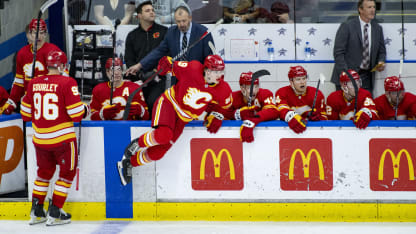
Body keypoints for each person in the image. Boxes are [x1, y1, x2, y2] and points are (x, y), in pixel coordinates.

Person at [117, 55, 233, 186]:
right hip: (169, 104)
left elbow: (226, 106)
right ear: (206, 70)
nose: (219, 75)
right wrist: (165, 62)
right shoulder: (192, 68)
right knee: (164, 135)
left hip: (183, 119)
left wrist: (218, 114)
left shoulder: (223, 89)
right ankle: (137, 143)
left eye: (221, 71)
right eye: (216, 71)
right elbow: (169, 66)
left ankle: (129, 163)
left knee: (159, 153)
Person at [20, 50, 86, 226]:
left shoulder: (33, 83)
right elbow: (76, 114)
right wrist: (85, 108)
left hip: (40, 139)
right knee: (66, 174)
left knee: (43, 173)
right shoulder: (67, 82)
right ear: (63, 66)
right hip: (62, 139)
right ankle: (55, 211)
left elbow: (25, 113)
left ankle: (36, 210)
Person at [125, 6, 214, 77]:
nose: (181, 24)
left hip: (197, 78)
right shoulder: (171, 32)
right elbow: (158, 51)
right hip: (178, 80)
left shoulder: (203, 33)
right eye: (178, 21)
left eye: (184, 21)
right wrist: (139, 65)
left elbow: (209, 58)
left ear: (190, 18)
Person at [1, 19, 64, 115]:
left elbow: (64, 80)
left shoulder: (53, 51)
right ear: (29, 34)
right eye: (36, 33)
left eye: (42, 33)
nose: (39, 36)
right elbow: (19, 82)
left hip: (50, 104)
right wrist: (12, 101)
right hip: (29, 104)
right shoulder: (22, 53)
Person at [331, 0, 386, 94]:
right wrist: (347, 74)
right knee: (347, 108)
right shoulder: (347, 26)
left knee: (366, 107)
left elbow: (382, 51)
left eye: (374, 7)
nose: (373, 10)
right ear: (360, 9)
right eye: (369, 7)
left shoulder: (377, 28)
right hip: (347, 77)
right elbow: (338, 53)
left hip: (367, 78)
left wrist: (381, 61)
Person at [124, 1, 167, 116]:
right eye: (147, 11)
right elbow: (129, 59)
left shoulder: (164, 32)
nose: (152, 12)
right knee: (134, 105)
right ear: (139, 16)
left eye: (152, 10)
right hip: (138, 79)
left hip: (159, 78)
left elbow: (167, 55)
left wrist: (156, 72)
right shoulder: (132, 35)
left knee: (154, 102)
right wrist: (139, 75)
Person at [226, 71, 279, 143]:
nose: (254, 91)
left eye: (256, 86)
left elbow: (273, 111)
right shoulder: (233, 97)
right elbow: (223, 113)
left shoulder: (265, 93)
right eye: (249, 87)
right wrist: (238, 114)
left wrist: (252, 120)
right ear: (242, 88)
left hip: (265, 138)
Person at [275, 66, 327, 134]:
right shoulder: (282, 92)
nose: (302, 82)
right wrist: (292, 116)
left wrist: (318, 118)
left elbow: (325, 118)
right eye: (298, 79)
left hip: (312, 133)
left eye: (304, 78)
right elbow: (281, 111)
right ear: (291, 82)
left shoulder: (317, 93)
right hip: (288, 133)